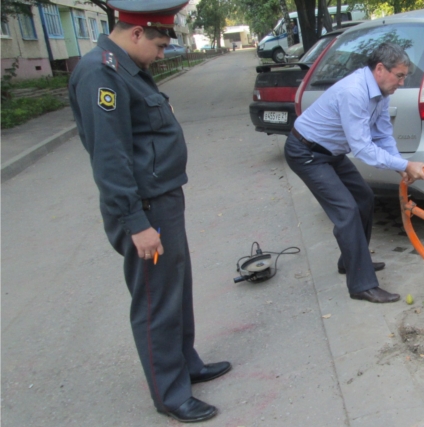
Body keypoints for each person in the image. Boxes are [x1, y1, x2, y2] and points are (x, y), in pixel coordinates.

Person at [68, 0, 230, 422]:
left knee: (177, 287)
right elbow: (110, 157)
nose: (162, 55)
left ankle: (186, 364)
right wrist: (136, 222)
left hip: (162, 198)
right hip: (144, 207)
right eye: (159, 45)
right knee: (157, 300)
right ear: (136, 33)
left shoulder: (127, 69)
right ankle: (170, 394)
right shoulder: (100, 73)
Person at [285, 43, 424, 304]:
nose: (402, 81)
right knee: (347, 211)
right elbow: (363, 148)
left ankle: (351, 261)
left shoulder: (382, 92)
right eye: (399, 75)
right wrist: (406, 166)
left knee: (364, 198)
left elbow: (383, 134)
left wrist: (400, 165)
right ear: (380, 69)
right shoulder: (355, 92)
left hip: (331, 152)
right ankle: (362, 285)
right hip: (307, 153)